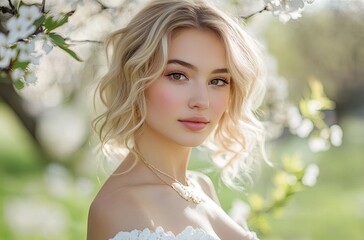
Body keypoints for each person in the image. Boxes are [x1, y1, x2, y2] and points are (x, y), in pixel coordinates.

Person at [87, 0, 266, 239]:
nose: (202, 101)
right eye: (178, 75)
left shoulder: (200, 186)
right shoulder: (120, 207)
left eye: (218, 81)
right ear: (136, 79)